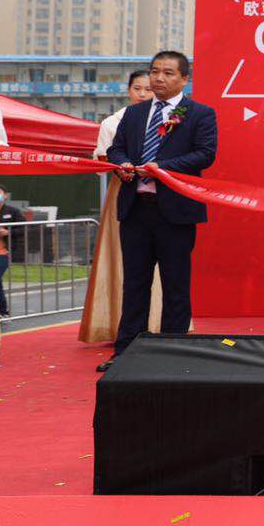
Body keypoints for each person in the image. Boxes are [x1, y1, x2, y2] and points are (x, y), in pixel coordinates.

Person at [100, 51, 218, 372]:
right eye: (154, 72)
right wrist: (123, 164)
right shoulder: (134, 113)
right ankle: (127, 352)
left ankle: (173, 352)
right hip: (136, 209)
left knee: (175, 283)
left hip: (176, 212)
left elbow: (205, 154)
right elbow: (115, 148)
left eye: (168, 73)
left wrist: (160, 168)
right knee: (134, 284)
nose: (159, 78)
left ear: (184, 79)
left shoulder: (199, 114)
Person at [80, 70, 160, 345]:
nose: (142, 94)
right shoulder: (112, 122)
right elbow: (102, 159)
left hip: (160, 194)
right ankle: (119, 324)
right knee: (124, 260)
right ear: (128, 90)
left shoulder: (168, 119)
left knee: (159, 258)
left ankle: (160, 323)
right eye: (137, 88)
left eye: (148, 89)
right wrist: (121, 167)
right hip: (123, 191)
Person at [0, 185, 23, 333]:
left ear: (5, 195)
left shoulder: (12, 211)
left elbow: (24, 227)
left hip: (2, 252)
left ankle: (3, 312)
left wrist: (8, 232)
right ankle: (3, 311)